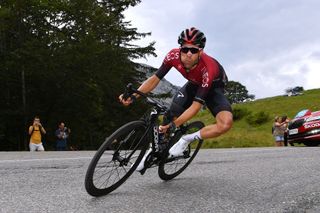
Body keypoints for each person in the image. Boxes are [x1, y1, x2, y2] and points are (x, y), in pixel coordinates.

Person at [119, 27, 233, 171]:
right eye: (185, 49)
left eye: (194, 50)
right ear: (180, 49)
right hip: (193, 84)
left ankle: (187, 139)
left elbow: (196, 106)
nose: (189, 54)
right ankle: (151, 151)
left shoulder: (208, 68)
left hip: (213, 88)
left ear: (201, 51)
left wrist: (175, 125)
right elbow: (155, 79)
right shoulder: (172, 56)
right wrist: (134, 96)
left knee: (225, 124)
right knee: (170, 115)